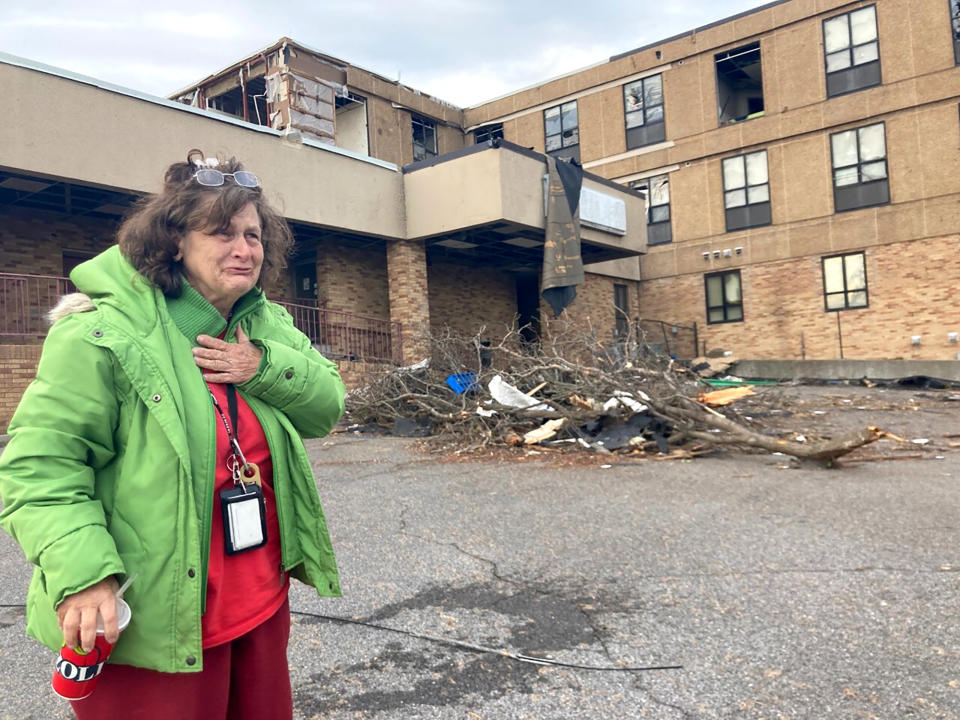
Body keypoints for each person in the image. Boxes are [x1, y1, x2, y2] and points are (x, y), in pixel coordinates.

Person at [0, 149, 346, 719]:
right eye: (222, 232)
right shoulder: (101, 334)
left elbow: (326, 406)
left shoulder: (266, 323)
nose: (244, 249)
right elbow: (41, 466)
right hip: (156, 617)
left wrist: (260, 365)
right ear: (174, 241)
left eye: (254, 235)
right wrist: (85, 575)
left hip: (258, 603)